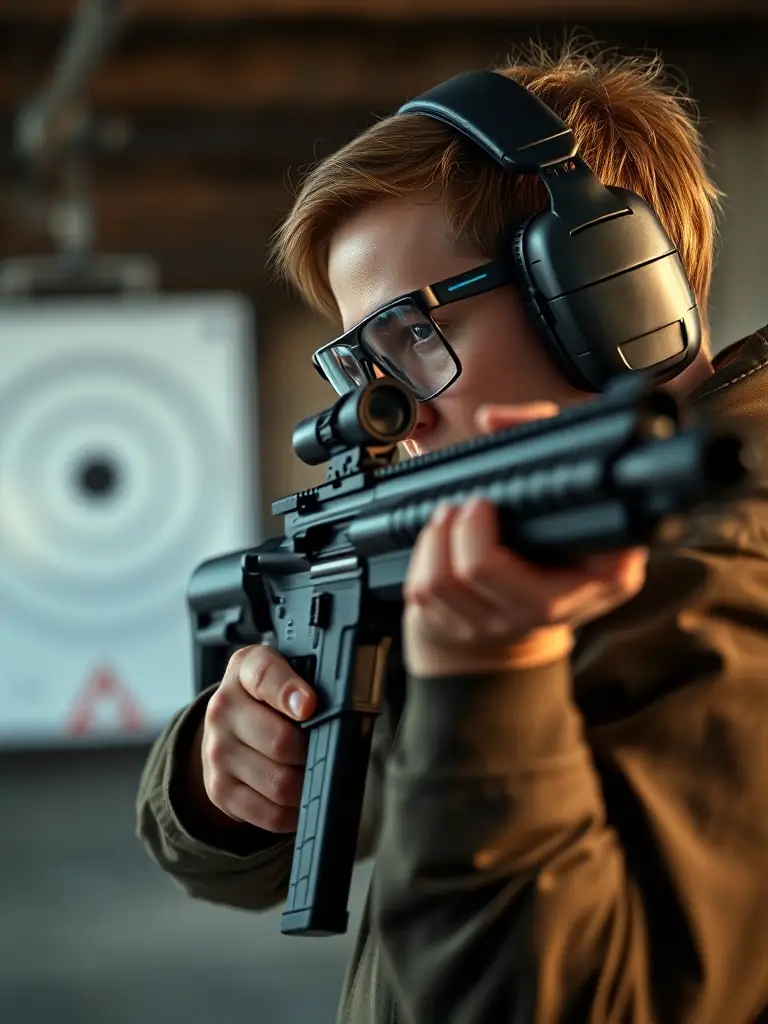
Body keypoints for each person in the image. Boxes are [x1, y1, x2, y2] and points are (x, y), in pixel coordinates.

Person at [136, 41, 768, 1023]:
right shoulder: (508, 552)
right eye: (362, 364)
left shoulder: (728, 571)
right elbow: (286, 848)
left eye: (417, 334)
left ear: (608, 294)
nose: (395, 413)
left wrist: (493, 678)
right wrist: (218, 784)